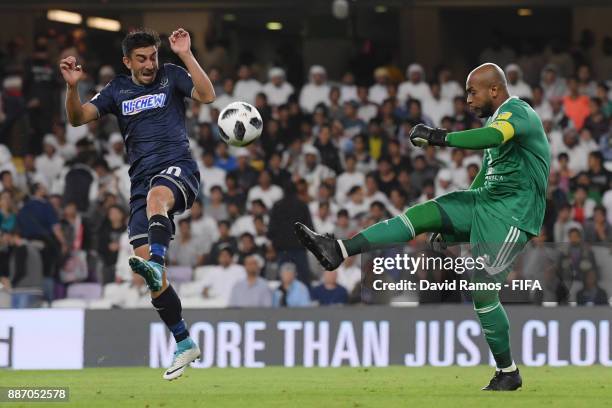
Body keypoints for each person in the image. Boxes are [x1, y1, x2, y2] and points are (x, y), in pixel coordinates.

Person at [296, 63, 551, 391]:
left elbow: (492, 136)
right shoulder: (495, 119)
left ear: (494, 90)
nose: (467, 98)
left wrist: (439, 137)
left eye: (472, 91)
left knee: (482, 290)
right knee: (419, 216)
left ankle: (508, 372)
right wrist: (456, 220)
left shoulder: (518, 112)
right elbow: (485, 176)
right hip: (485, 201)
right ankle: (339, 249)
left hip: (514, 214)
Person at [60, 28, 215, 380]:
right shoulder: (117, 89)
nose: (149, 65)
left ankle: (159, 263)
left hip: (178, 171)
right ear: (126, 61)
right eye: (141, 59)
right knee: (147, 270)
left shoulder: (171, 76)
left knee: (158, 200)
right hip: (140, 185)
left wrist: (186, 54)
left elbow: (207, 95)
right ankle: (184, 341)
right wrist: (72, 87)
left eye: (153, 57)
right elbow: (77, 118)